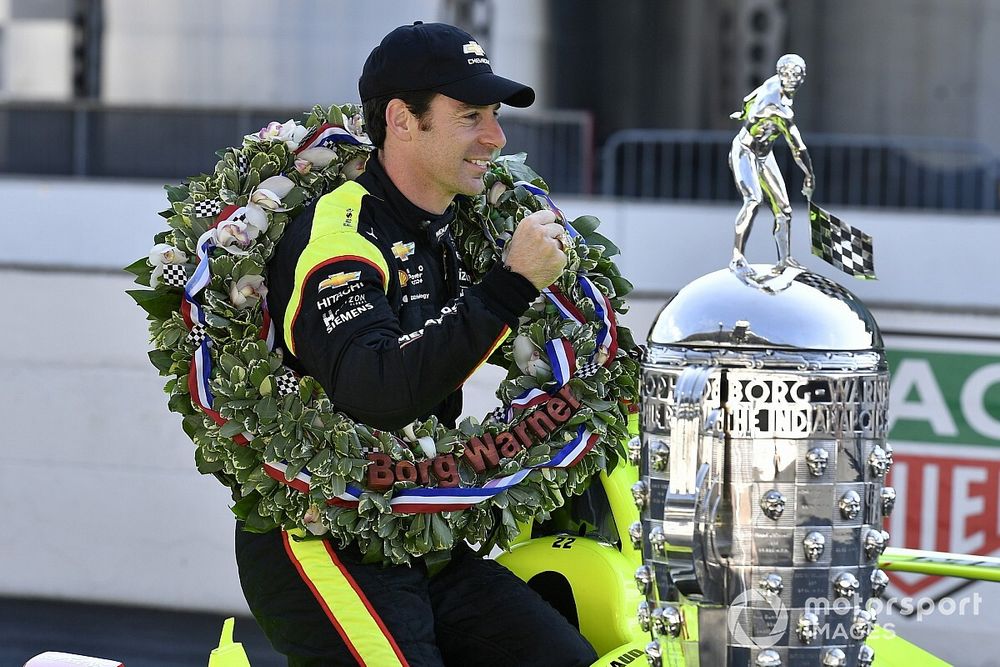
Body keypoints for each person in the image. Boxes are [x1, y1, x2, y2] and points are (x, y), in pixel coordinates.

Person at [235, 21, 597, 667]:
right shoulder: (340, 229)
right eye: (471, 116)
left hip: (417, 529)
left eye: (494, 115)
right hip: (321, 534)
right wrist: (509, 286)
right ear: (404, 120)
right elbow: (376, 390)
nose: (497, 137)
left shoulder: (452, 223)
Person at [728, 53, 815, 279]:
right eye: (786, 74)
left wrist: (742, 111)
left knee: (784, 210)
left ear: (802, 77)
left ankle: (784, 258)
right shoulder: (779, 111)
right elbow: (798, 148)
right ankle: (737, 257)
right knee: (753, 199)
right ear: (780, 74)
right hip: (745, 151)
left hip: (765, 155)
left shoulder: (774, 85)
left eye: (795, 74)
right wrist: (809, 175)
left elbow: (749, 96)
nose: (790, 78)